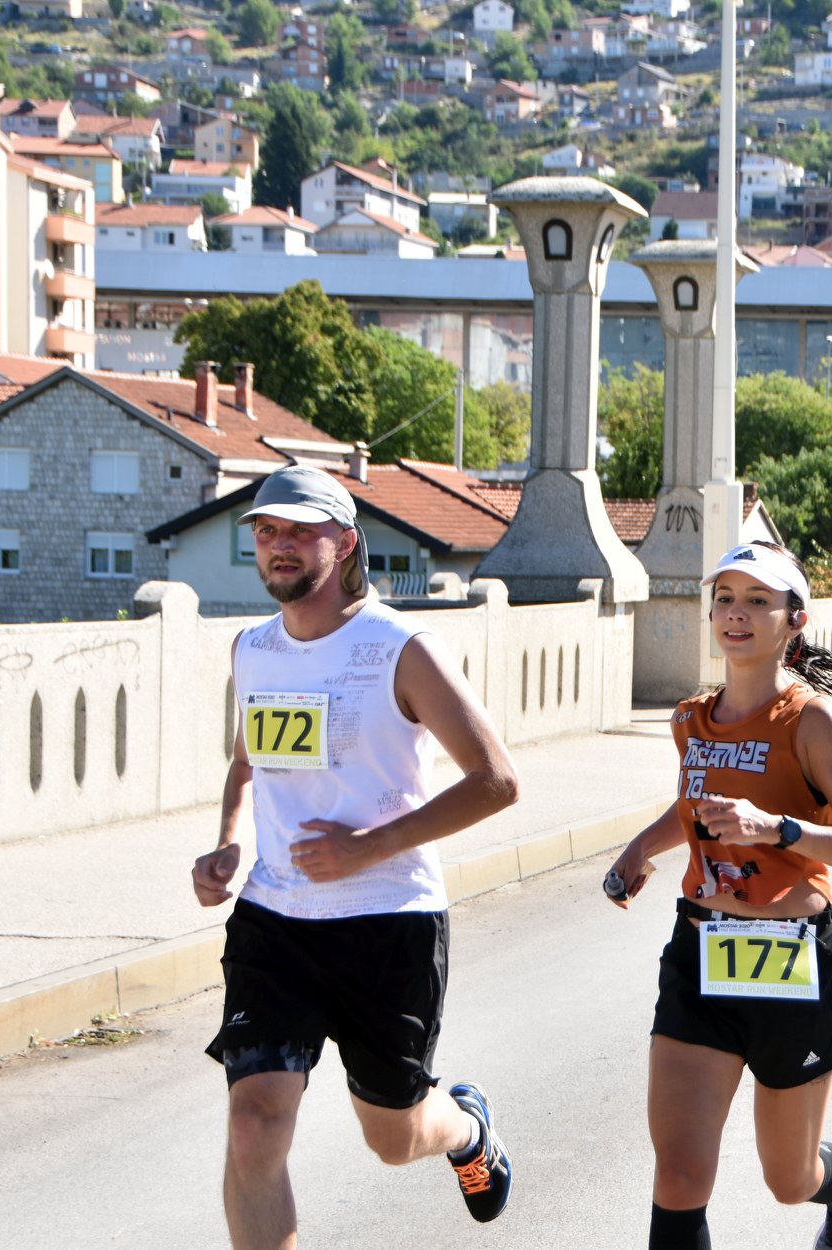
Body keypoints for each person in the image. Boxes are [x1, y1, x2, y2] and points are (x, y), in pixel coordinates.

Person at [191, 465, 523, 1250]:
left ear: (343, 543)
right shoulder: (254, 649)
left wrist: (367, 847)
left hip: (387, 924)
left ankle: (467, 1130)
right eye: (266, 531)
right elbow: (247, 762)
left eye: (298, 530)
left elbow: (497, 781)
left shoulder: (399, 648)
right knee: (252, 1124)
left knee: (394, 1136)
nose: (277, 545)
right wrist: (230, 840)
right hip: (276, 920)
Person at [605, 541, 832, 1250]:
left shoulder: (809, 722)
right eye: (725, 598)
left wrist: (779, 829)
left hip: (792, 963)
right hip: (701, 951)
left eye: (758, 600)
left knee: (786, 1179)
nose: (736, 614)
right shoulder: (689, 719)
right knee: (679, 1174)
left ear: (794, 620)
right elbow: (692, 808)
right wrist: (641, 848)